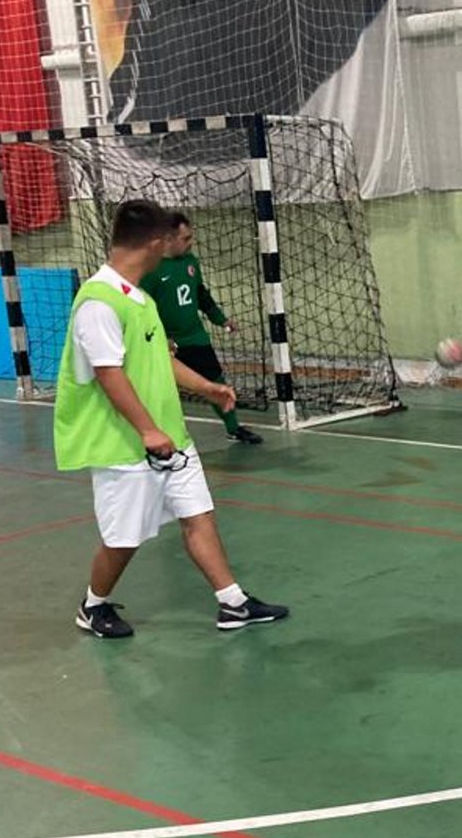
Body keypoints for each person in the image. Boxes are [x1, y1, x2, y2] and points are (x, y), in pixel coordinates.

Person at [54, 199, 289, 639]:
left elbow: (158, 360)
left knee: (199, 515)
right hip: (123, 444)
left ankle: (232, 603)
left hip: (170, 437)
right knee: (124, 538)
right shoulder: (98, 302)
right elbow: (110, 375)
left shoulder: (138, 298)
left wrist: (208, 388)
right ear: (157, 242)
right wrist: (146, 429)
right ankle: (93, 605)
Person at [141, 212, 262, 444]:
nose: (190, 243)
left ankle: (234, 428)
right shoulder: (151, 269)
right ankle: (156, 435)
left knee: (217, 381)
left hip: (194, 337)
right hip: (166, 342)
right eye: (185, 239)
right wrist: (161, 337)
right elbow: (143, 307)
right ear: (168, 239)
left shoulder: (190, 262)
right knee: (160, 390)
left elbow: (200, 294)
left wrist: (221, 319)